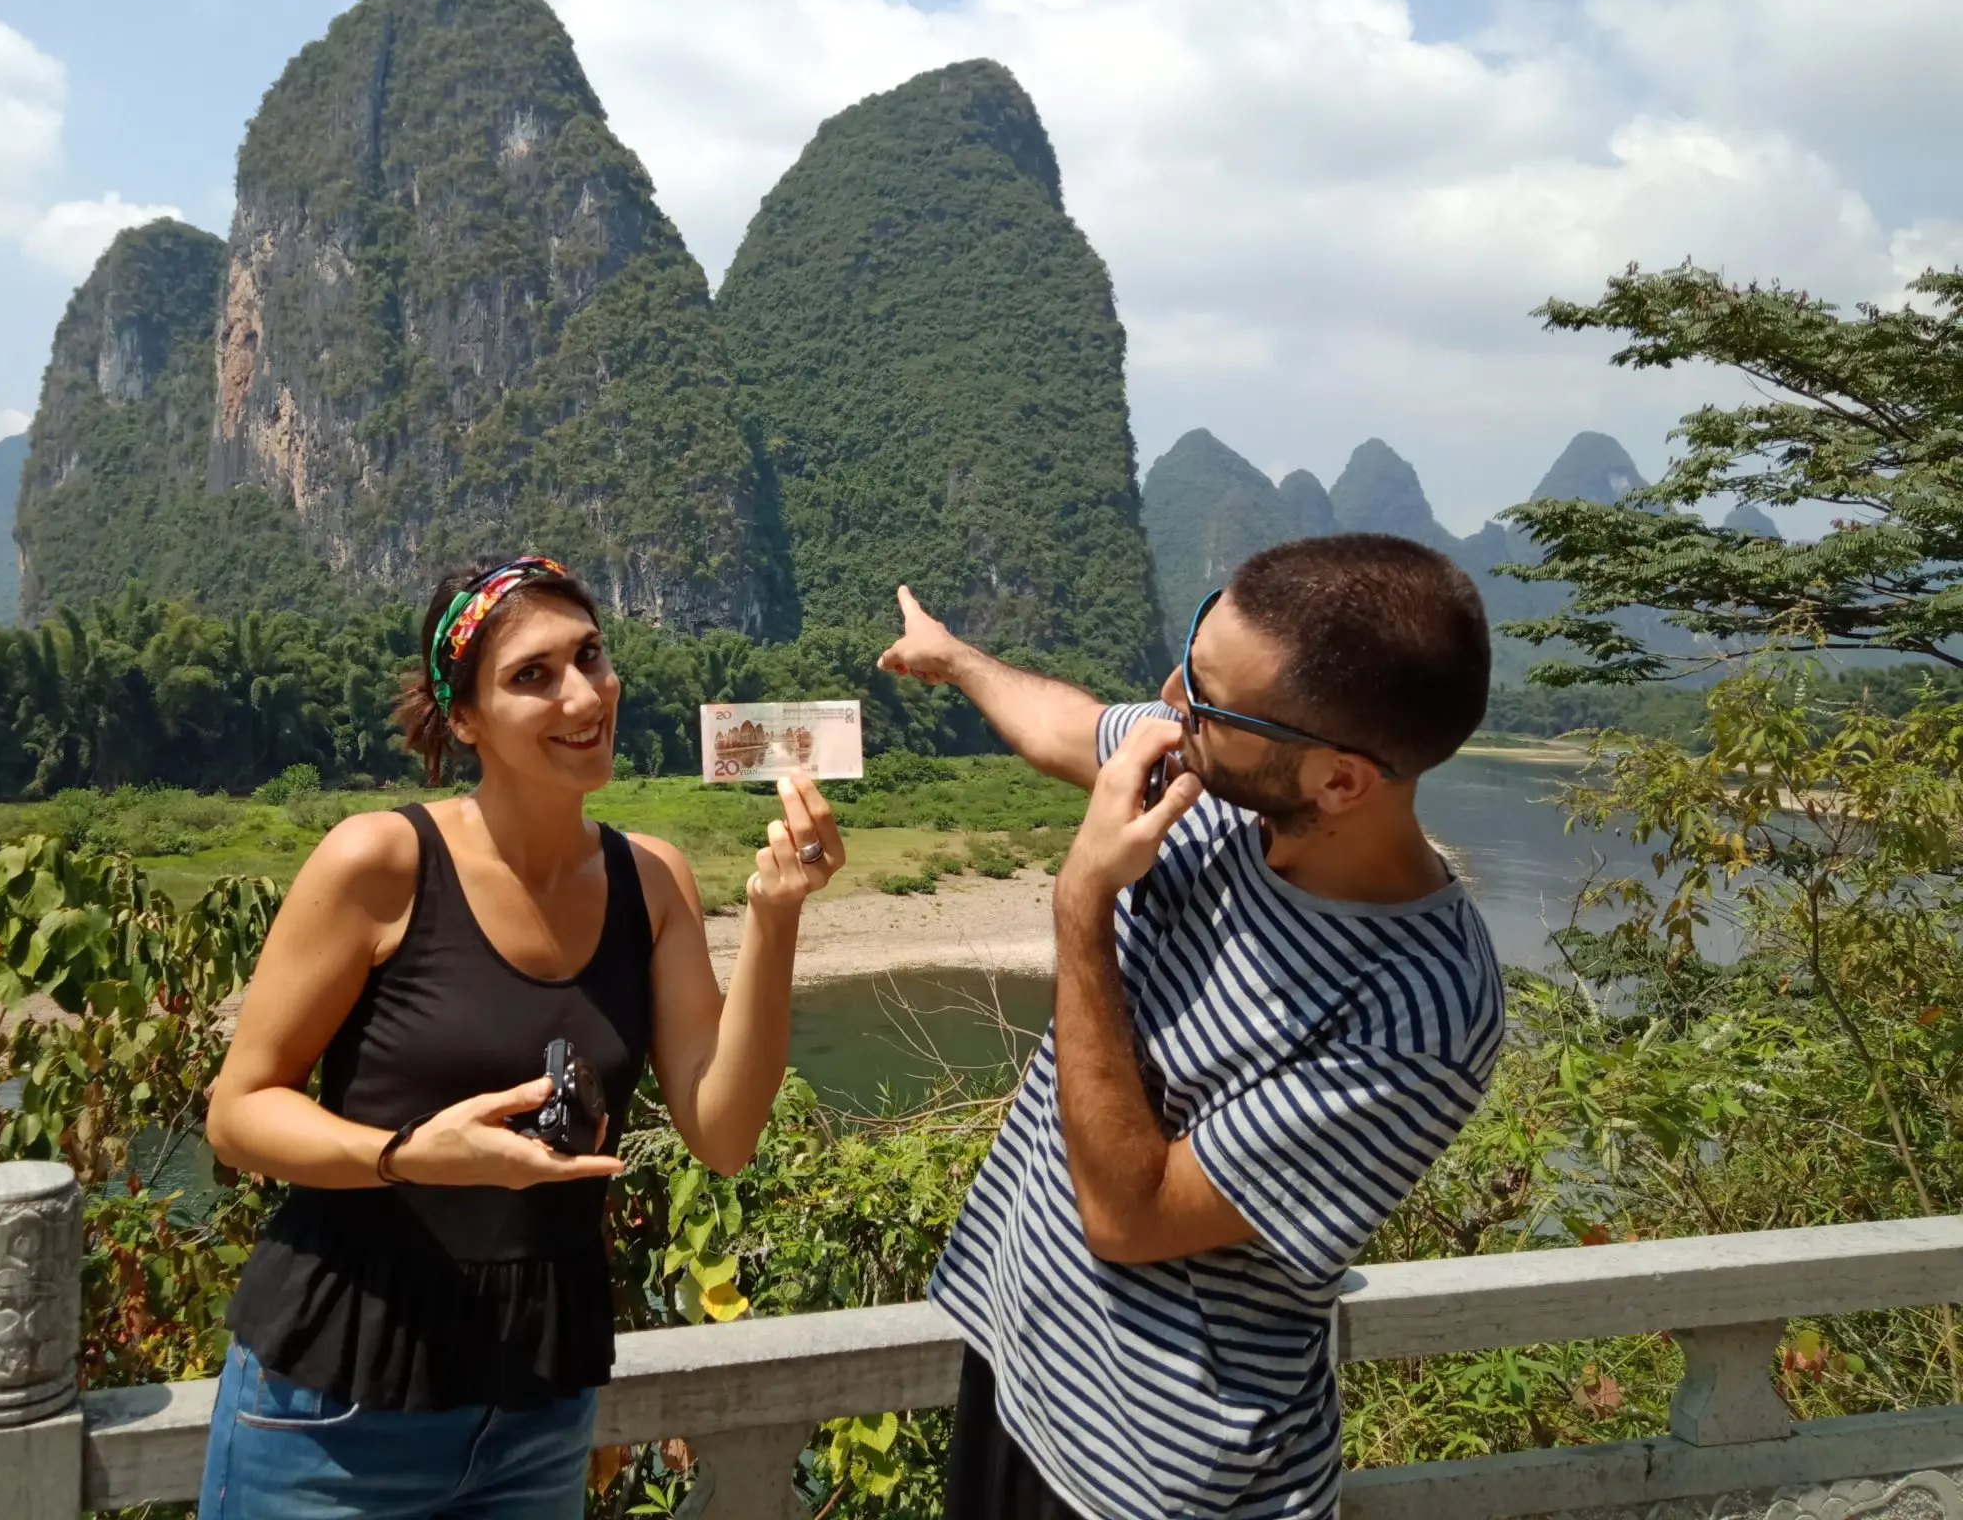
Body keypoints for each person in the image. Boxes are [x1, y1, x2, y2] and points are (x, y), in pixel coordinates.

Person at [199, 554, 845, 1520]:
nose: (583, 694)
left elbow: (725, 1132)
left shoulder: (651, 882)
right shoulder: (381, 860)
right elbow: (238, 1113)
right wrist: (411, 1155)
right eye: (532, 675)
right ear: (463, 721)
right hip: (337, 1405)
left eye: (591, 656)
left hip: (537, 1410)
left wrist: (776, 916)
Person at [878, 533, 1506, 1520]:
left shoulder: (1419, 1010)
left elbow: (1134, 1218)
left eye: (1205, 700)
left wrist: (1081, 908)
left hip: (1153, 1475)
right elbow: (1071, 725)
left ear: (1338, 782)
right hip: (1018, 1379)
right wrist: (954, 659)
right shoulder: (1214, 771)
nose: (1170, 701)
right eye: (1189, 655)